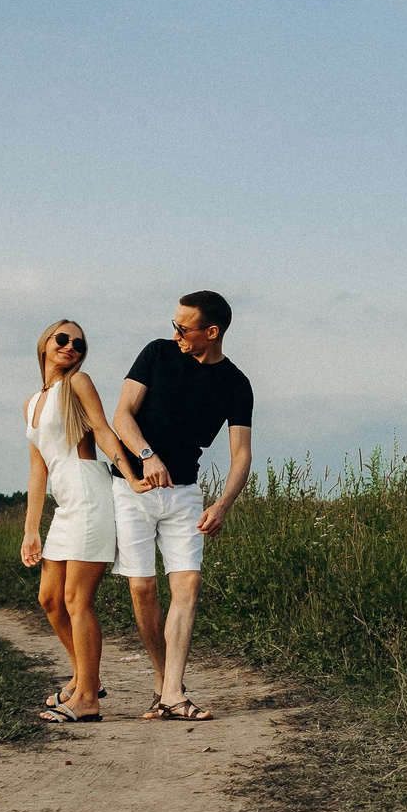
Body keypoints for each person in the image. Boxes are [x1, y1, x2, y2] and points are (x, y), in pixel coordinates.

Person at [109, 289, 253, 721]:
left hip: (186, 494)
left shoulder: (236, 383)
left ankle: (172, 691)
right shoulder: (156, 353)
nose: (175, 334)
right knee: (143, 589)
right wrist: (148, 455)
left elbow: (241, 454)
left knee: (187, 587)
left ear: (212, 332)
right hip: (132, 488)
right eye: (174, 325)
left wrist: (224, 505)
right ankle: (164, 684)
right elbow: (122, 415)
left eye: (183, 328)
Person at [22, 320, 141, 723]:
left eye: (79, 343)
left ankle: (87, 698)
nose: (70, 346)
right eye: (62, 339)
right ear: (45, 343)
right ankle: (83, 676)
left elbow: (104, 431)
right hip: (64, 504)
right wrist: (30, 529)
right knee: (50, 599)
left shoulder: (79, 383)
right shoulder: (32, 403)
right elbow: (39, 470)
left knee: (76, 600)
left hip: (90, 495)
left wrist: (132, 471)